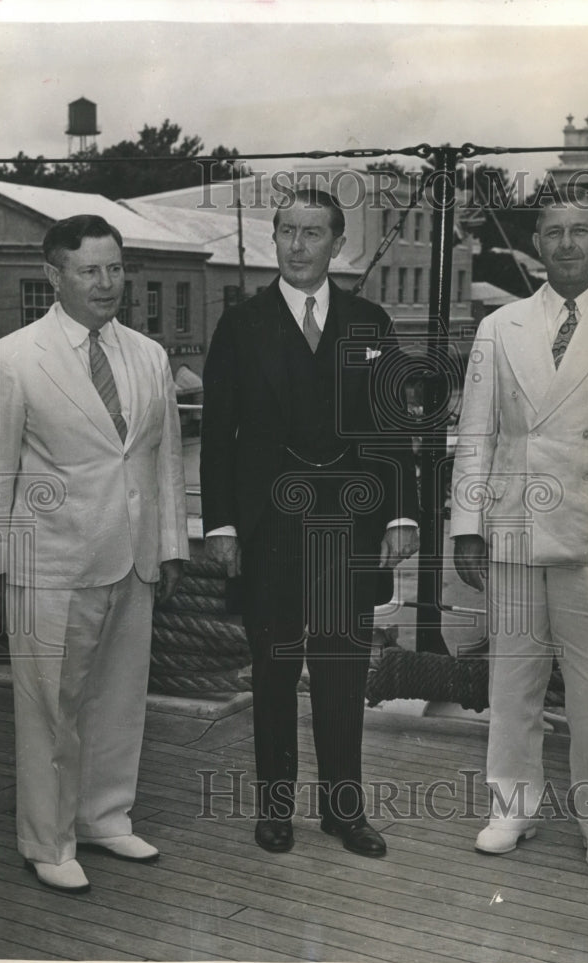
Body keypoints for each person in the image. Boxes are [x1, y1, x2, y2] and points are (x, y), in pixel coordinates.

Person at [0, 215, 189, 892]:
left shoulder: (148, 356)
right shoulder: (10, 359)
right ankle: (48, 841)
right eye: (90, 270)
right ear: (54, 276)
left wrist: (171, 546)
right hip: (50, 566)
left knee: (119, 699)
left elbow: (163, 461)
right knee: (49, 710)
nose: (107, 283)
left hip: (133, 558)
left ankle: (103, 817)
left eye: (115, 268)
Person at [450, 198, 588, 871]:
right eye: (554, 233)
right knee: (511, 683)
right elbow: (475, 435)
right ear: (538, 243)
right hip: (514, 531)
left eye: (580, 231)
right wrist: (467, 526)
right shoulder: (499, 327)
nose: (567, 244)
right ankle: (511, 808)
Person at [200, 188, 419, 857]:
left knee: (341, 671)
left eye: (313, 232)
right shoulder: (241, 325)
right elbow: (217, 434)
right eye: (287, 231)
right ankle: (275, 809)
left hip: (350, 525)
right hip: (269, 525)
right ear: (274, 238)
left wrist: (402, 512)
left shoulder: (370, 322)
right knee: (272, 671)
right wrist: (222, 526)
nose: (297, 246)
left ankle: (343, 812)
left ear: (337, 243)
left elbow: (391, 428)